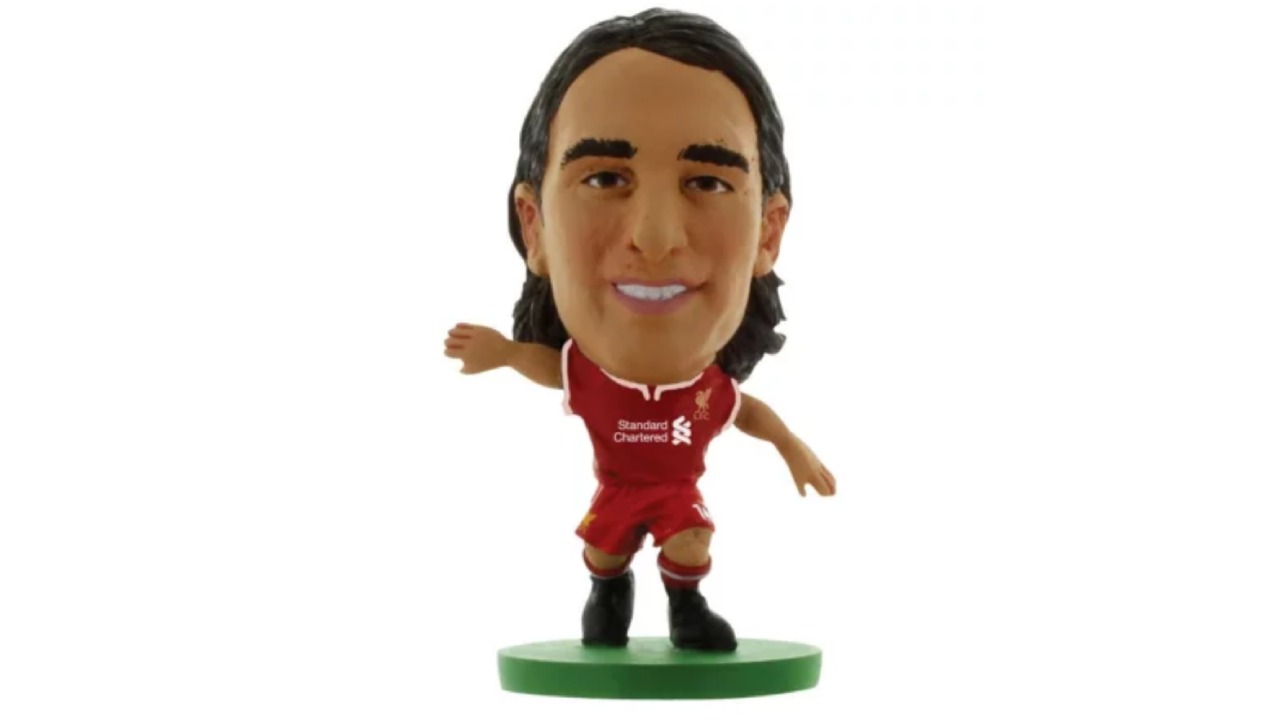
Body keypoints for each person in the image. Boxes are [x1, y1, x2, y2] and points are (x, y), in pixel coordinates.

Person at [443, 8, 835, 652]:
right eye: (604, 178)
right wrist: (507, 353)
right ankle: (609, 592)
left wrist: (791, 446)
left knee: (692, 540)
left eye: (706, 181)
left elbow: (748, 413)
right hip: (617, 492)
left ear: (768, 232)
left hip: (677, 493)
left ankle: (686, 607)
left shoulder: (706, 392)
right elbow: (551, 370)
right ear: (533, 225)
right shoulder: (587, 377)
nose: (655, 238)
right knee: (603, 551)